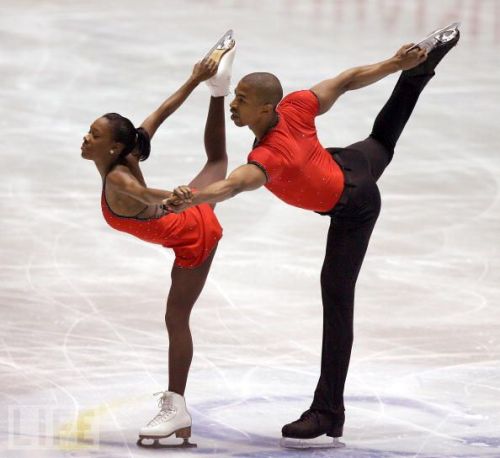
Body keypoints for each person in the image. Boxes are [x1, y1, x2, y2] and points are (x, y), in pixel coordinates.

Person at [165, 25, 460, 447]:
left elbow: (232, 185)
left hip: (353, 206)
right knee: (380, 141)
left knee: (336, 298)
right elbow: (344, 81)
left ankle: (328, 410)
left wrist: (191, 198)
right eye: (235, 98)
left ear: (267, 109)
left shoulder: (269, 155)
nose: (235, 106)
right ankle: (417, 73)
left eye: (242, 101)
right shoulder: (297, 106)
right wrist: (394, 64)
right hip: (345, 164)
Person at [81, 34, 235, 448]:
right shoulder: (129, 149)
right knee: (217, 162)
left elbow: (146, 196)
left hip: (193, 237)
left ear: (113, 146)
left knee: (175, 319)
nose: (85, 138)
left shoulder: (118, 176)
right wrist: (195, 79)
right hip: (183, 218)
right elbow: (162, 112)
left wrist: (179, 196)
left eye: (93, 134)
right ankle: (218, 90)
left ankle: (176, 408)